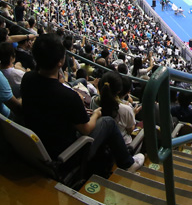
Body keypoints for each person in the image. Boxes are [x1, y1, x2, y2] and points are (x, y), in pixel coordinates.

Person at [21, 34, 144, 175]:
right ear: (60, 62)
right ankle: (128, 164)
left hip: (38, 148)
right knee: (108, 122)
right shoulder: (68, 96)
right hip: (67, 156)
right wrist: (96, 114)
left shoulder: (27, 79)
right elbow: (86, 129)